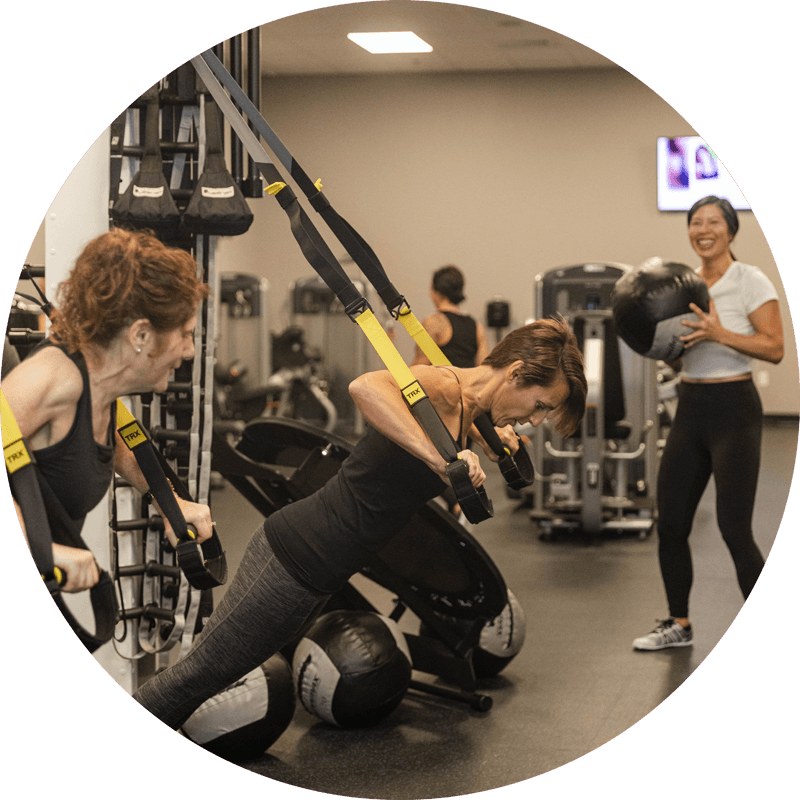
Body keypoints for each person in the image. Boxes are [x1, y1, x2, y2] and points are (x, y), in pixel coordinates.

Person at [133, 317, 587, 730]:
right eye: (541, 404)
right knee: (196, 679)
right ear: (515, 372)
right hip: (294, 556)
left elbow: (456, 424)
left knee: (209, 677)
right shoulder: (441, 385)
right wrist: (439, 460)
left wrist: (487, 438)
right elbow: (365, 387)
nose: (537, 420)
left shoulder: (470, 409)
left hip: (319, 572)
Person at [2, 228, 214, 593]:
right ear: (140, 335)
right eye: (185, 333)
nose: (189, 350)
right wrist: (37, 551)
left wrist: (170, 503)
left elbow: (108, 441)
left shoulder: (99, 384)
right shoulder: (53, 379)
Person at [633, 196, 784, 651]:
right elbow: (681, 349)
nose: (703, 229)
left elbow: (775, 347)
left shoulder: (749, 279)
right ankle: (679, 624)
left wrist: (720, 333)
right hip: (691, 405)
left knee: (733, 527)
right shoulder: (687, 284)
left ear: (731, 231)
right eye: (695, 222)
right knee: (672, 523)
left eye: (713, 222)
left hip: (734, 408)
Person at [412, 265, 490, 368]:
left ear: (436, 292)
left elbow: (420, 365)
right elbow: (483, 368)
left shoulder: (433, 322)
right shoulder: (477, 327)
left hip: (441, 383)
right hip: (467, 383)